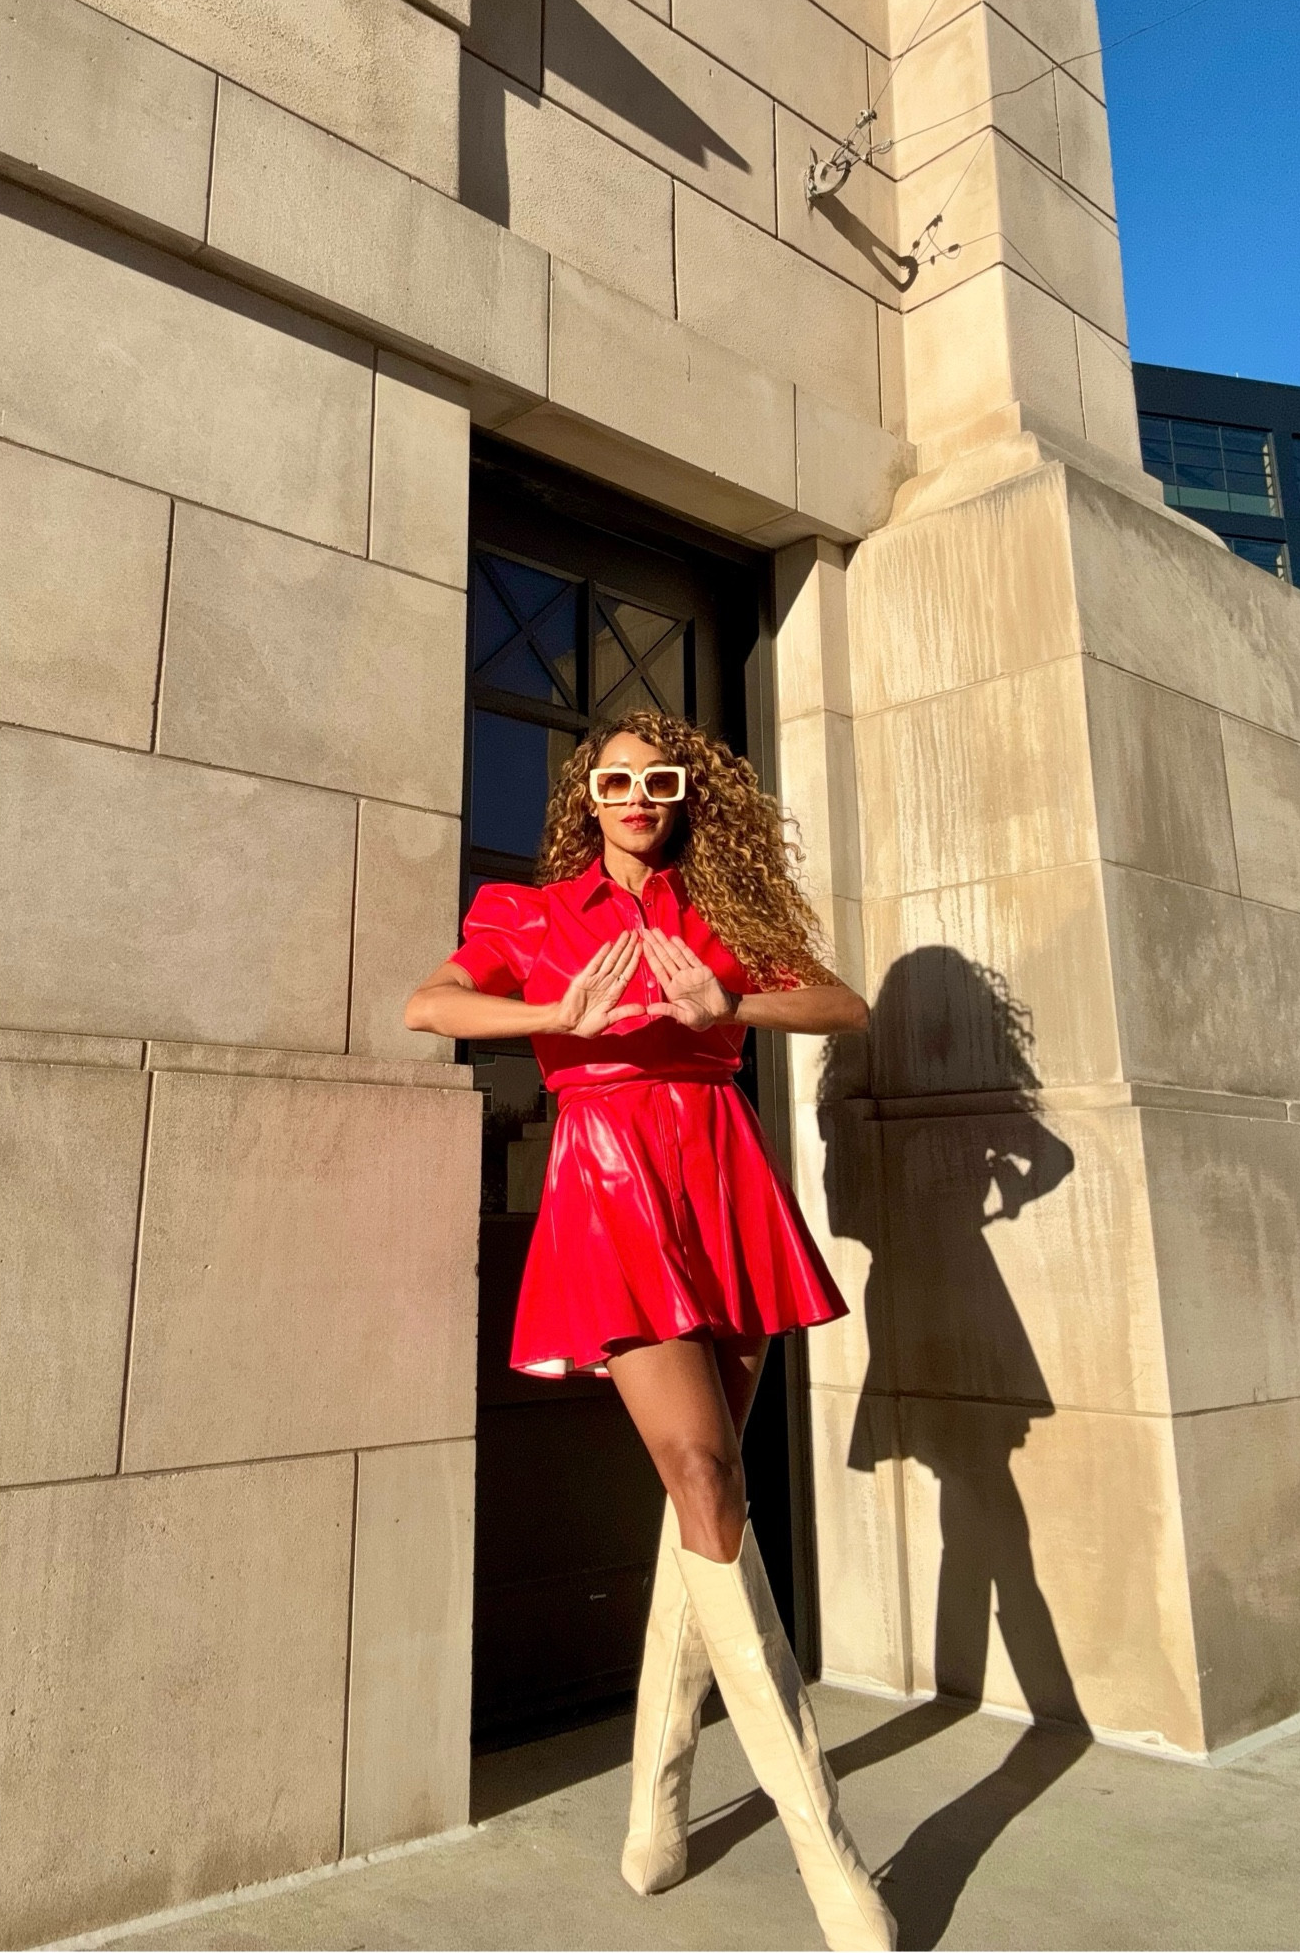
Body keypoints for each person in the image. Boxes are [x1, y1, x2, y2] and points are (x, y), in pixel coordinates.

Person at [404, 710, 895, 1953]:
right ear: (590, 794)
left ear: (684, 796)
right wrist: (554, 1019)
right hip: (610, 1174)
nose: (635, 795)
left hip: (722, 1168)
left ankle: (657, 1797)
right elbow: (431, 1005)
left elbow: (845, 1003)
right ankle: (823, 1844)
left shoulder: (719, 908)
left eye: (656, 779)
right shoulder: (529, 914)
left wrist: (731, 995)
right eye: (613, 778)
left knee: (705, 1502)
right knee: (699, 1468)